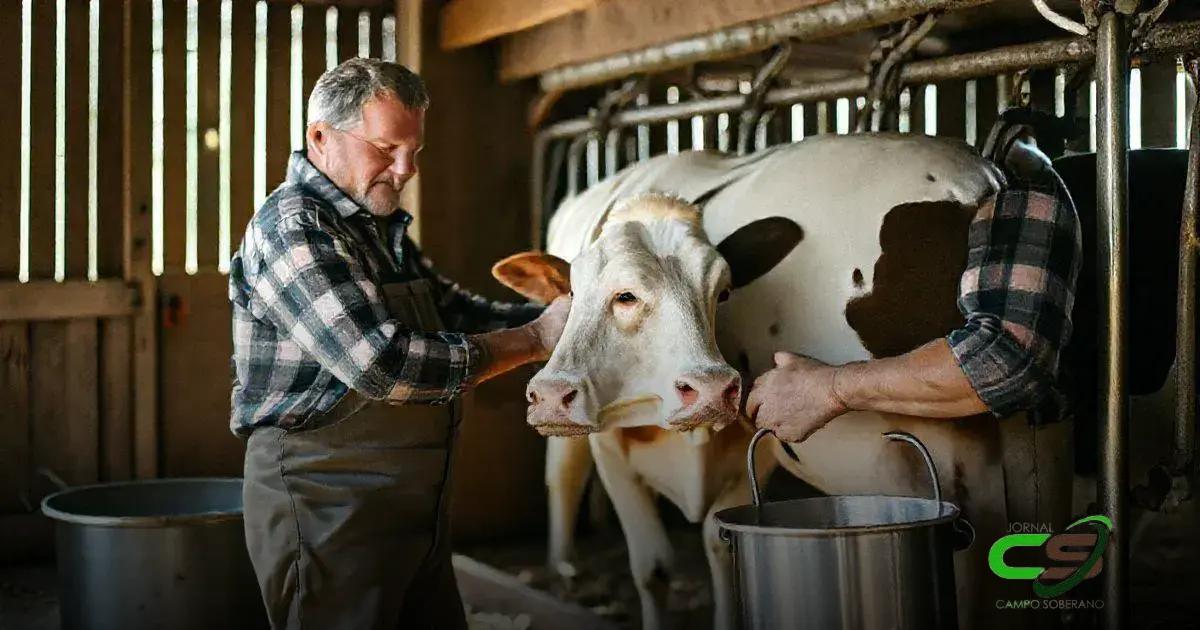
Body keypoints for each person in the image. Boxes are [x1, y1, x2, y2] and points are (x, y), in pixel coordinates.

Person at [229, 58, 570, 629]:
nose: (407, 168)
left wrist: (574, 322)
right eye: (387, 148)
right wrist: (535, 338)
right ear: (321, 137)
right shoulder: (294, 228)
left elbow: (454, 311)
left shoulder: (372, 223)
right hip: (329, 507)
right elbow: (382, 365)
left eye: (415, 150)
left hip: (412, 508)